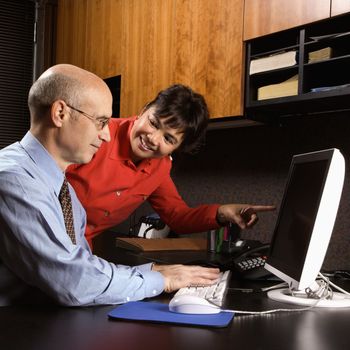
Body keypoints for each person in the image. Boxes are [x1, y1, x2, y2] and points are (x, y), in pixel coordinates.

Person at [0, 64, 220, 307]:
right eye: (100, 122)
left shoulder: (64, 190)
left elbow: (80, 266)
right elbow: (73, 280)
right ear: (60, 113)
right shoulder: (16, 181)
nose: (106, 135)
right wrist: (160, 280)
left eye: (169, 139)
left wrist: (154, 271)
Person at [66, 84, 275, 248]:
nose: (153, 139)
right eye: (154, 123)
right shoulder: (97, 132)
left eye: (168, 139)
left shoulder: (160, 167)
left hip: (78, 253)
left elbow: (177, 216)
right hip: (44, 239)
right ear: (144, 109)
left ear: (178, 147)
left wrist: (222, 212)